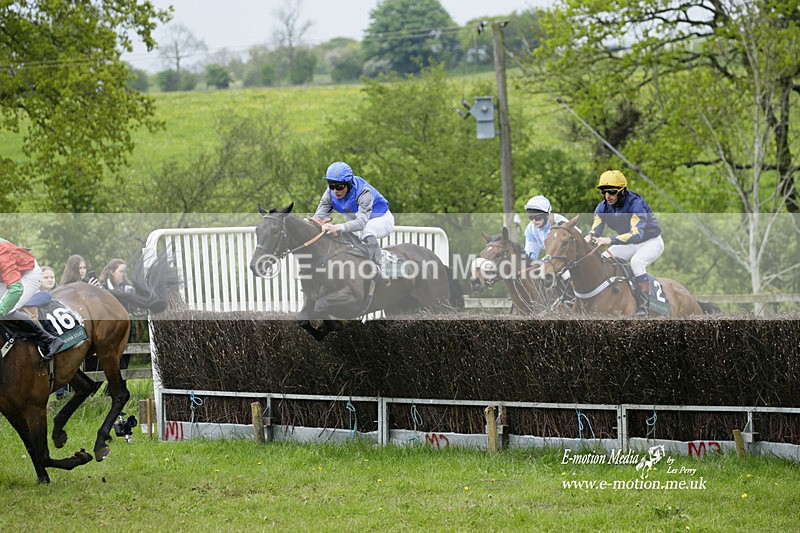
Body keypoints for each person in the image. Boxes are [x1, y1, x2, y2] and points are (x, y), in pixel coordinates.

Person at [584, 170, 663, 316]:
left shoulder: (636, 204)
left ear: (622, 191)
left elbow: (636, 234)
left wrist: (610, 240)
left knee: (637, 262)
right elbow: (595, 230)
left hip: (650, 242)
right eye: (604, 191)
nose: (607, 196)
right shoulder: (602, 207)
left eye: (612, 191)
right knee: (605, 259)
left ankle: (644, 305)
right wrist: (588, 238)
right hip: (629, 243)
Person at [313, 161, 395, 277]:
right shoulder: (330, 193)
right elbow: (318, 217)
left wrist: (337, 227)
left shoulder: (363, 192)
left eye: (339, 186)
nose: (335, 191)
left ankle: (381, 263)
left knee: (365, 230)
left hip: (382, 219)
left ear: (349, 183)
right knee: (344, 236)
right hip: (361, 222)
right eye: (332, 186)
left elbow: (361, 223)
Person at [0, 239, 65, 359]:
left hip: (29, 275)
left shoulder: (1, 250)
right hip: (7, 276)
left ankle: (49, 339)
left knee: (6, 309)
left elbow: (16, 289)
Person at [523, 195, 569, 260]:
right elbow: (531, 254)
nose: (534, 221)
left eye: (537, 217)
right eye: (531, 217)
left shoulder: (560, 221)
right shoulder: (530, 229)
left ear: (547, 214)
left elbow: (578, 238)